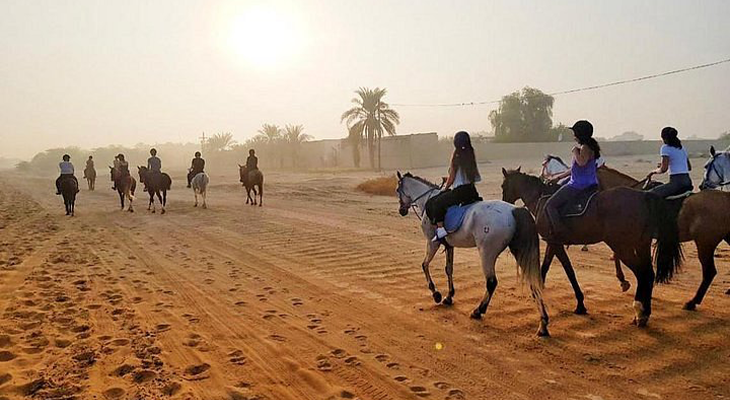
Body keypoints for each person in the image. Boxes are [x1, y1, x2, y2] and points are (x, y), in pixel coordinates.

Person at [544, 120, 601, 239]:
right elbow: (574, 169)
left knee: (550, 205)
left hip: (579, 185)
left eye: (575, 133)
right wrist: (557, 177)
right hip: (587, 183)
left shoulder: (585, 147)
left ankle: (559, 233)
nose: (573, 136)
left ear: (580, 133)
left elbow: (581, 162)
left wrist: (575, 151)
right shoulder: (588, 146)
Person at [425, 131, 482, 241]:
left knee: (437, 203)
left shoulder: (456, 156)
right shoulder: (470, 154)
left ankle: (441, 230)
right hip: (471, 190)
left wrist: (445, 188)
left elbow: (451, 179)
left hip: (460, 192)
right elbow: (470, 176)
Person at [645, 127, 693, 197]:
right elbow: (689, 167)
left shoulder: (665, 148)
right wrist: (665, 164)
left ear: (664, 138)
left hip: (676, 183)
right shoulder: (682, 148)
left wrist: (652, 172)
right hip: (687, 181)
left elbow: (663, 169)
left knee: (649, 195)